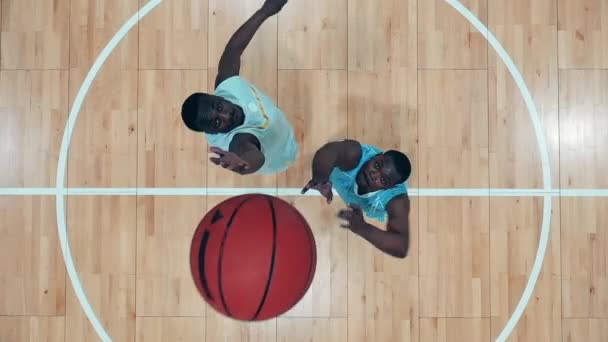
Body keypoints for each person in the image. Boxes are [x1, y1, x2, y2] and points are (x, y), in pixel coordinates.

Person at [180, 0, 296, 175]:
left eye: (219, 106)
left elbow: (234, 49)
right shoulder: (236, 140)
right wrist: (244, 164)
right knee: (291, 157)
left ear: (218, 96)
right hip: (280, 155)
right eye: (217, 122)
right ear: (212, 132)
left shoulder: (227, 86)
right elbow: (250, 153)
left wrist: (264, 11)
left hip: (282, 127)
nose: (227, 115)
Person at [302, 140, 412, 258]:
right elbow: (328, 152)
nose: (373, 175)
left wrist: (361, 227)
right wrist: (320, 178)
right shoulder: (354, 154)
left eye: (383, 180)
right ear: (376, 156)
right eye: (377, 165)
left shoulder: (396, 199)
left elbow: (401, 247)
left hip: (371, 204)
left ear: (389, 187)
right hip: (344, 177)